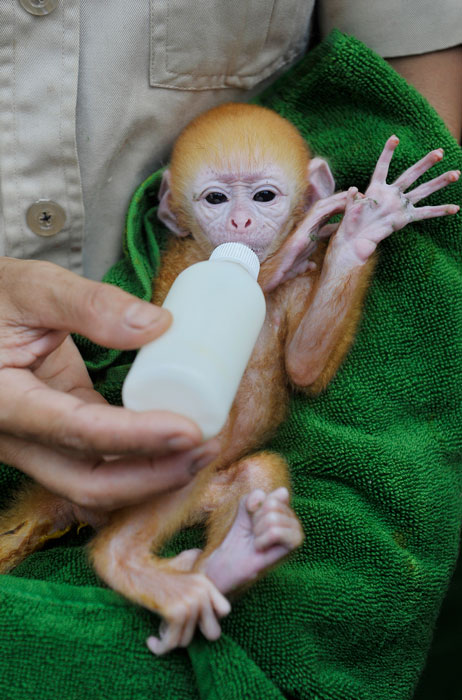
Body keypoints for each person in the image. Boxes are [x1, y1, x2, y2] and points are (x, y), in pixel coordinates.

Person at [0, 0, 459, 512]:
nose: (241, 223)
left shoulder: (306, 265)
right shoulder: (186, 265)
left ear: (311, 194)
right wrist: (275, 262)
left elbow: (306, 368)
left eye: (264, 197)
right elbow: (181, 313)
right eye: (216, 199)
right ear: (173, 210)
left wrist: (349, 254)